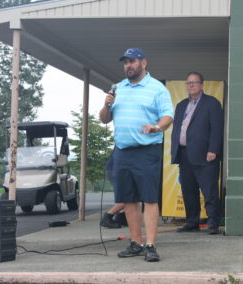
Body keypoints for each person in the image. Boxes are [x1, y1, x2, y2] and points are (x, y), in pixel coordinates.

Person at [99, 48, 173, 262]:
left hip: (146, 151)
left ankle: (150, 245)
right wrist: (106, 104)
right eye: (126, 62)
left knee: (149, 198)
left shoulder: (156, 88)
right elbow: (104, 119)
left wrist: (157, 127)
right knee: (129, 200)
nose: (128, 65)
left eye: (132, 61)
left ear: (144, 63)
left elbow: (168, 115)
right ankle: (136, 243)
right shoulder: (118, 88)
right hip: (122, 152)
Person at [170, 72, 224, 234]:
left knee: (209, 190)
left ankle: (213, 223)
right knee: (188, 190)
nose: (191, 85)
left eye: (194, 82)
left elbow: (217, 129)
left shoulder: (212, 103)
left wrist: (213, 150)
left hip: (205, 155)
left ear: (202, 85)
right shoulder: (181, 105)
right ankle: (192, 222)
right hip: (184, 154)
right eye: (188, 83)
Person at [100, 150, 126, 229]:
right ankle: (107, 217)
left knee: (130, 196)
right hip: (116, 169)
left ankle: (121, 217)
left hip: (115, 169)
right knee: (127, 198)